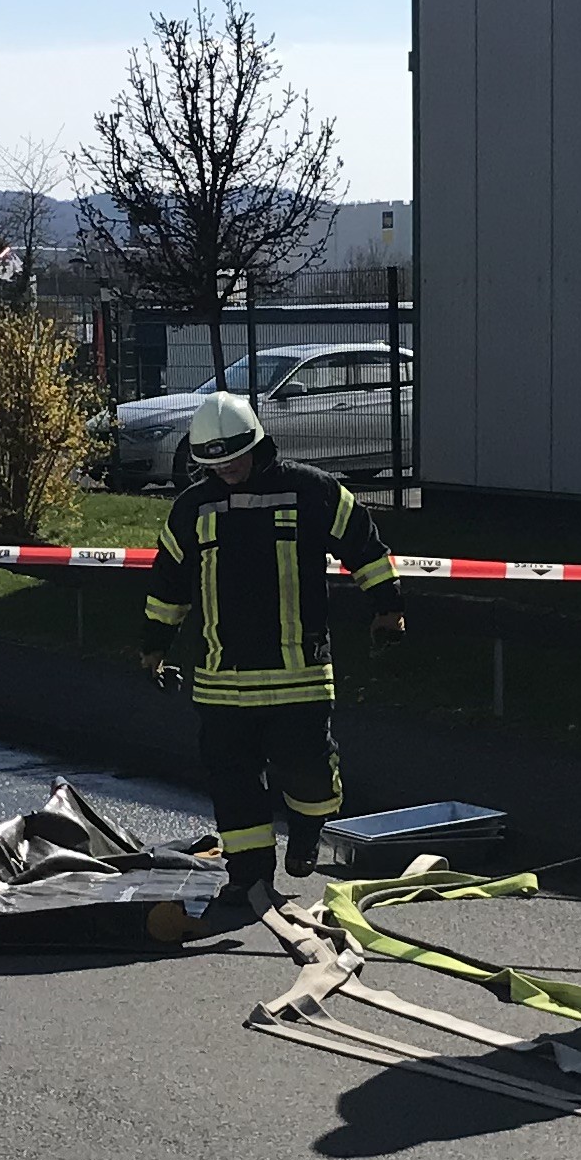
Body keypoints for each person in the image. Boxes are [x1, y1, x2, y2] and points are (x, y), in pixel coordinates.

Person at [144, 388, 402, 913]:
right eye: (213, 462)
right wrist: (154, 647)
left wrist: (387, 606)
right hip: (221, 684)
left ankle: (307, 829)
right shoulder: (192, 508)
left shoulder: (310, 490)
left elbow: (363, 543)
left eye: (234, 457)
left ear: (256, 442)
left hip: (298, 676)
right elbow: (169, 581)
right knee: (232, 785)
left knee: (309, 773)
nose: (227, 469)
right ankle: (248, 879)